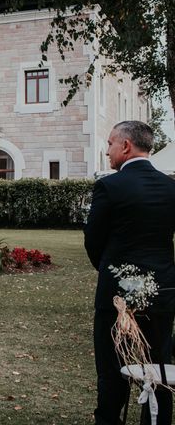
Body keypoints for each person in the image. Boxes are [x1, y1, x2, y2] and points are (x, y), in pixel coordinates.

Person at [84, 121, 175, 425]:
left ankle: (110, 420)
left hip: (116, 296)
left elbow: (94, 241)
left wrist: (114, 275)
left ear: (125, 146)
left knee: (111, 369)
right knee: (158, 367)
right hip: (163, 292)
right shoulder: (171, 187)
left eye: (110, 143)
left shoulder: (109, 186)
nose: (107, 150)